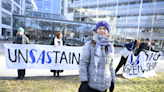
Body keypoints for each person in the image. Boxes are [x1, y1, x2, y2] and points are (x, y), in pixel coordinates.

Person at [79, 21, 116, 92]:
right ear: (96, 31)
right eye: (100, 28)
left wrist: (112, 81)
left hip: (105, 85)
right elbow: (83, 63)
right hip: (91, 85)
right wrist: (84, 81)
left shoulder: (110, 46)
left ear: (108, 32)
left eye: (105, 29)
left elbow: (111, 65)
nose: (102, 30)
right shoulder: (89, 44)